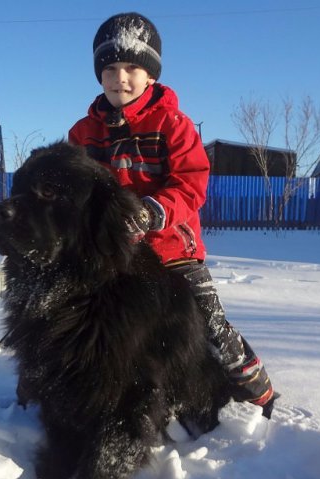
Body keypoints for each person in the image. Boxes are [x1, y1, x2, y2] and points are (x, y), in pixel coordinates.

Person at [68, 12, 277, 418]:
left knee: (207, 324)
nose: (120, 78)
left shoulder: (173, 125)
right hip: (112, 252)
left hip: (171, 250)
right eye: (109, 69)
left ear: (150, 75)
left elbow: (191, 183)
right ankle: (45, 384)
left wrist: (152, 212)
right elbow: (75, 189)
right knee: (76, 317)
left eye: (131, 68)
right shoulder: (83, 133)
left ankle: (259, 395)